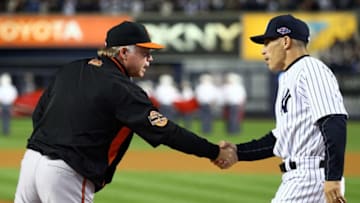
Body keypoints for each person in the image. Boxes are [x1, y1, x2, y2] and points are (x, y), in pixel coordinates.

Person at [14, 21, 237, 203]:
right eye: (145, 52)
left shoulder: (71, 69)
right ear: (123, 52)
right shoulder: (122, 88)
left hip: (31, 162)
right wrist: (213, 152)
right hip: (65, 172)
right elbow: (168, 132)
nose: (150, 58)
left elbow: (39, 114)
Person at [215, 14, 348, 203]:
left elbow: (333, 121)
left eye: (267, 42)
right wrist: (238, 151)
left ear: (285, 41)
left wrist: (332, 177)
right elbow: (281, 138)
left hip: (310, 178)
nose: (263, 51)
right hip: (301, 176)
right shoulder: (289, 76)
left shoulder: (310, 70)